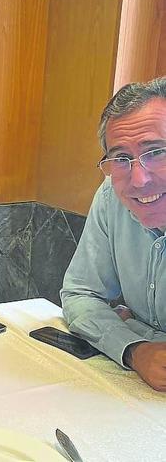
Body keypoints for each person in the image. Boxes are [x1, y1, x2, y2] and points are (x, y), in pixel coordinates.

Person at [61, 76, 166, 391]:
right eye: (121, 159)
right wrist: (134, 348)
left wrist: (130, 323)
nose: (138, 179)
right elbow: (80, 294)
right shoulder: (111, 196)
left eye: (157, 152)